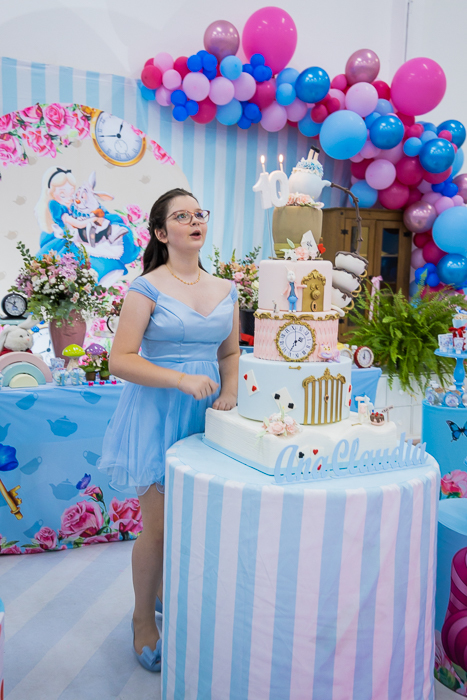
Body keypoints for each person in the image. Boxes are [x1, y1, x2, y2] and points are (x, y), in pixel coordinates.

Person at [98, 187, 239, 672]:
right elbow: (120, 360)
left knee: (199, 523)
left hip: (207, 416)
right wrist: (179, 379)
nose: (195, 221)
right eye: (182, 216)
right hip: (157, 413)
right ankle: (143, 616)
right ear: (161, 233)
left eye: (199, 213)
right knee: (157, 529)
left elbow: (229, 352)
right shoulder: (146, 288)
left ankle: (169, 594)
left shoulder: (226, 288)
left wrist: (230, 392)